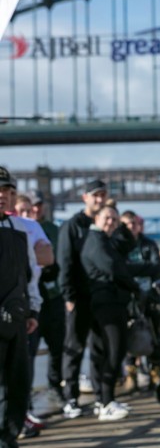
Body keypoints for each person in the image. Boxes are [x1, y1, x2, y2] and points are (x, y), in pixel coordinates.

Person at [81, 205, 139, 421]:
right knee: (115, 351)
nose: (111, 222)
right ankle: (106, 402)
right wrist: (135, 287)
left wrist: (121, 227)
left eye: (115, 220)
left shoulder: (105, 240)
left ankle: (105, 399)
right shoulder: (96, 241)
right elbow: (113, 268)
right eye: (107, 218)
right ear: (96, 218)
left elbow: (129, 245)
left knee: (104, 352)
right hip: (107, 304)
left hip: (107, 302)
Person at [58, 179, 108, 419]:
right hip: (78, 297)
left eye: (103, 195)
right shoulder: (73, 225)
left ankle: (101, 396)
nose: (99, 200)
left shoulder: (106, 222)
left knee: (100, 348)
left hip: (100, 297)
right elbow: (64, 262)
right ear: (85, 198)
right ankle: (71, 398)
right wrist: (68, 295)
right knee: (74, 349)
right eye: (95, 195)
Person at [0, 167, 42, 446]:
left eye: (10, 192)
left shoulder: (19, 231)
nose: (4, 195)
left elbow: (30, 274)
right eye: (1, 190)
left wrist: (33, 309)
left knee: (17, 383)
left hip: (14, 319)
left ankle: (9, 436)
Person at [18, 190, 66, 421]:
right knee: (26, 354)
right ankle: (24, 405)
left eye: (36, 207)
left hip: (51, 297)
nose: (32, 212)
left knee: (57, 347)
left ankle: (56, 388)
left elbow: (52, 261)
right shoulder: (14, 228)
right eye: (26, 210)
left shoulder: (50, 230)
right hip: (26, 300)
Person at [13, 193, 55, 437]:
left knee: (24, 363)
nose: (27, 214)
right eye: (22, 209)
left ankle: (22, 413)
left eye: (30, 209)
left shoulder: (30, 226)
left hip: (27, 303)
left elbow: (47, 258)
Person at [120, 211, 160, 391]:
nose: (131, 227)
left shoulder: (149, 244)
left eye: (134, 223)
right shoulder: (120, 246)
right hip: (129, 299)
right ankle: (131, 375)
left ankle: (155, 373)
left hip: (151, 297)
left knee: (155, 335)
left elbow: (155, 267)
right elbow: (120, 269)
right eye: (127, 224)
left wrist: (132, 270)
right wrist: (141, 269)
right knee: (129, 335)